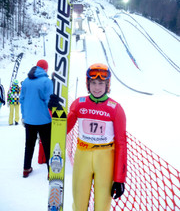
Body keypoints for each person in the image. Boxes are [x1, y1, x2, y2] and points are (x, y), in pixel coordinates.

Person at [66, 63, 127, 210]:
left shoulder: (115, 109)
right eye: (93, 83)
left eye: (101, 83)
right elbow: (63, 129)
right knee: (79, 203)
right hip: (83, 156)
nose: (97, 87)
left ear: (107, 85)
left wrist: (119, 178)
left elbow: (121, 144)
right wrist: (53, 111)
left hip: (105, 159)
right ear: (88, 84)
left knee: (102, 205)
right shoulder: (79, 104)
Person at [20, 59, 53, 178]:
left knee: (29, 145)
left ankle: (26, 168)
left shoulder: (26, 81)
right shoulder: (47, 81)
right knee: (48, 146)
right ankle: (51, 171)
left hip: (29, 119)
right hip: (44, 120)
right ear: (45, 69)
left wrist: (24, 116)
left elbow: (22, 100)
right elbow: (49, 101)